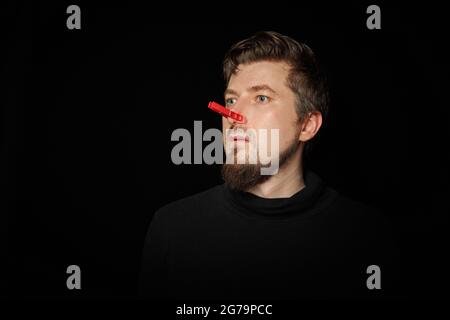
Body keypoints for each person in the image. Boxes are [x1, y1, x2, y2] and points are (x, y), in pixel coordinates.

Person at [139, 31, 400, 299]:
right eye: (230, 100)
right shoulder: (172, 228)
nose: (234, 116)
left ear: (307, 125)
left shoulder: (366, 236)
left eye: (261, 98)